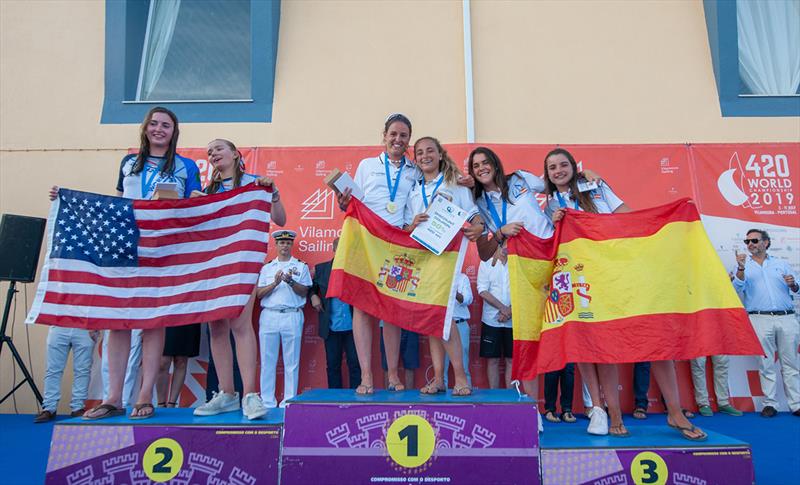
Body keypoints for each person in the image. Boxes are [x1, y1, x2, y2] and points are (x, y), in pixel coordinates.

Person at [49, 107, 202, 420]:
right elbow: (115, 203)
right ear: (145, 128)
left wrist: (195, 200)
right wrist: (64, 197)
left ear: (175, 133)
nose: (159, 129)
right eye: (154, 124)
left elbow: (192, 208)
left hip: (161, 250)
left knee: (152, 321)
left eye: (166, 126)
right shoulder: (129, 162)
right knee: (119, 320)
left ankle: (144, 396)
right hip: (125, 248)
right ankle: (113, 397)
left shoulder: (186, 166)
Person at [544, 147, 706, 440]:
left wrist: (664, 223)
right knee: (605, 350)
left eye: (562, 164)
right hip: (588, 281)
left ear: (573, 166)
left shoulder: (596, 186)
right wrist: (555, 224)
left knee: (656, 342)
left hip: (624, 273)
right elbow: (552, 246)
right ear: (548, 175)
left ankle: (675, 412)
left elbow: (627, 215)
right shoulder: (550, 205)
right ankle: (614, 416)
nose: (558, 171)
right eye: (552, 167)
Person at [194, 138, 285, 420]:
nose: (213, 154)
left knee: (241, 325)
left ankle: (250, 395)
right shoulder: (208, 190)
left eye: (219, 148)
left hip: (242, 262)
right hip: (213, 264)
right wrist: (197, 206)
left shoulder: (256, 183)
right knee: (216, 328)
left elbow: (280, 219)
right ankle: (226, 394)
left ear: (235, 154)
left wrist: (274, 194)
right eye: (209, 152)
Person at [337, 113, 420, 395]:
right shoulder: (367, 165)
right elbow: (354, 201)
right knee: (361, 307)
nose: (398, 140)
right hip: (365, 241)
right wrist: (343, 202)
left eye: (404, 135)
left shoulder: (415, 170)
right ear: (383, 136)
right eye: (393, 134)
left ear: (409, 139)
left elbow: (415, 205)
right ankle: (367, 377)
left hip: (397, 244)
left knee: (393, 310)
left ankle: (393, 375)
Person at [469, 146, 554, 405]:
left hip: (551, 256)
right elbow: (485, 252)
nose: (482, 168)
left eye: (485, 162)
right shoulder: (479, 203)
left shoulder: (519, 178)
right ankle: (531, 408)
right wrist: (501, 232)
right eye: (475, 166)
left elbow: (554, 186)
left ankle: (560, 407)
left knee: (553, 337)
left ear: (495, 164)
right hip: (523, 266)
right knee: (528, 341)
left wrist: (586, 176)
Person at [403, 136, 484, 396]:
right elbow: (405, 229)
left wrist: (479, 227)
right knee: (432, 321)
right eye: (419, 152)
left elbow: (473, 215)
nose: (425, 155)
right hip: (421, 261)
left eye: (430, 151)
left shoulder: (456, 185)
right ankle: (439, 379)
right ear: (415, 159)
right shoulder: (413, 189)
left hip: (446, 259)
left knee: (445, 316)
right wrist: (413, 223)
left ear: (440, 155)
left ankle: (461, 377)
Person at [732, 229, 799, 418]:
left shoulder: (781, 264)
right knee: (765, 362)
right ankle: (770, 403)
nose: (750, 244)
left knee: (791, 363)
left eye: (754, 240)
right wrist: (741, 268)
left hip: (786, 317)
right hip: (759, 318)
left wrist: (793, 284)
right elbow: (736, 288)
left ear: (766, 242)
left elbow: (798, 288)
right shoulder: (743, 266)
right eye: (747, 241)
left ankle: (796, 404)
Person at [256, 230, 312, 408]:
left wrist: (290, 282)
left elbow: (305, 291)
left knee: (292, 361)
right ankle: (267, 400)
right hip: (270, 315)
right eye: (282, 243)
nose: (285, 246)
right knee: (267, 361)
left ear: (291, 245)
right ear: (276, 245)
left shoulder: (301, 266)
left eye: (288, 243)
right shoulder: (267, 268)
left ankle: (288, 399)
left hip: (292, 314)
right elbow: (259, 294)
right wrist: (274, 283)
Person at [310, 237, 361, 389]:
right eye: (340, 248)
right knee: (332, 365)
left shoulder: (357, 269)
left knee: (355, 364)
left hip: (353, 326)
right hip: (331, 326)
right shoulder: (321, 269)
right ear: (334, 249)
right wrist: (313, 296)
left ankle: (356, 398)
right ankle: (334, 399)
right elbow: (311, 287)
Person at [34, 327, 98, 423]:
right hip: (59, 324)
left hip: (85, 325)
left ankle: (78, 407)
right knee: (53, 370)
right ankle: (49, 408)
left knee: (83, 370)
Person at [477, 258, 514, 389]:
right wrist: (503, 308)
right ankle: (494, 397)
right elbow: (482, 290)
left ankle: (510, 398)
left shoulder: (518, 261)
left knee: (512, 360)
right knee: (493, 360)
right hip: (491, 320)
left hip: (514, 319)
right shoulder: (486, 262)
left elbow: (523, 288)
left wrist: (510, 310)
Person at [156, 323, 200, 408]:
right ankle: (160, 404)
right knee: (163, 362)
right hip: (165, 314)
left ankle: (172, 404)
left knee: (181, 360)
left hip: (186, 314)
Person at [443, 272, 473, 388]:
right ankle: (439, 402)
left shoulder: (462, 278)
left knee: (463, 364)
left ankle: (466, 392)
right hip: (442, 324)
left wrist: (454, 293)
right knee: (441, 367)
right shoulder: (438, 276)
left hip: (460, 324)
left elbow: (468, 299)